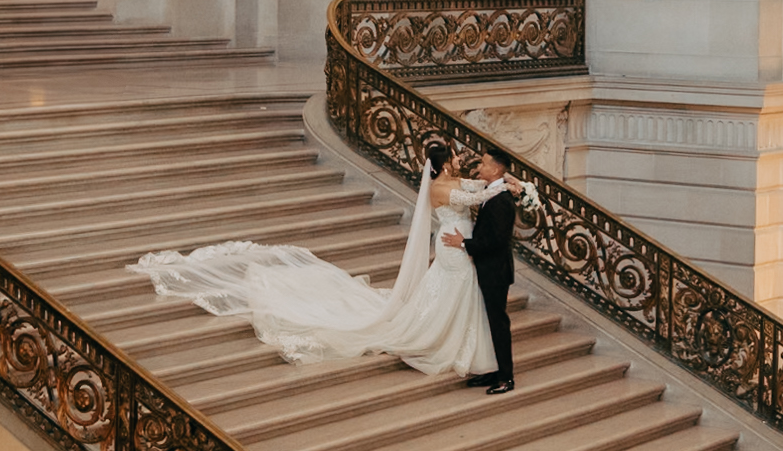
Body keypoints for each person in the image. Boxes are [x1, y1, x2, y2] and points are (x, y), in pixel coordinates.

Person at [129, 137, 524, 385]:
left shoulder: (460, 181)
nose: (464, 160)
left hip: (463, 251)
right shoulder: (441, 189)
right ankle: (442, 345)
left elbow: (477, 189)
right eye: (456, 156)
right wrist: (501, 186)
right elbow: (474, 198)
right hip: (456, 249)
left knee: (457, 302)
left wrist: (510, 186)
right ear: (442, 165)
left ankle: (472, 355)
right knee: (449, 299)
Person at [443, 146, 521, 393]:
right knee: (489, 323)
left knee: (498, 323)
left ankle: (506, 378)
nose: (480, 167)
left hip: (495, 271)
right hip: (489, 267)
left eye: (485, 164)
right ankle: (494, 371)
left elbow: (496, 240)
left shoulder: (501, 200)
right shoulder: (492, 191)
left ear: (496, 169)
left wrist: (464, 243)